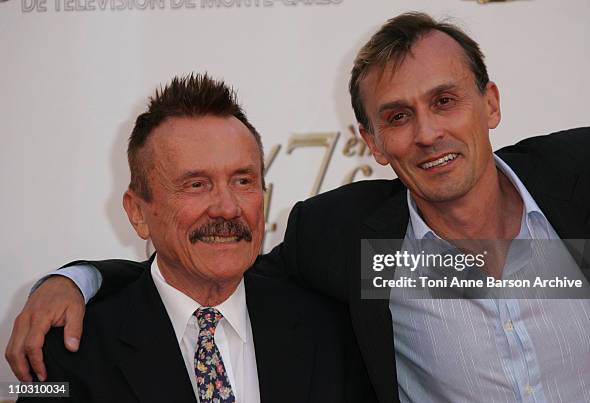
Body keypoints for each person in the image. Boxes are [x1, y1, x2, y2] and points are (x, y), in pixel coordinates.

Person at [6, 12, 590, 403]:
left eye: (446, 100)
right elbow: (202, 272)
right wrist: (74, 279)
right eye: (398, 116)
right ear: (371, 142)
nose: (428, 133)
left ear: (492, 103)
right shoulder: (359, 255)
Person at [10, 74, 373, 403]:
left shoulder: (329, 329)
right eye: (196, 185)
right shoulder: (66, 354)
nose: (227, 208)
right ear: (138, 213)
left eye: (243, 181)